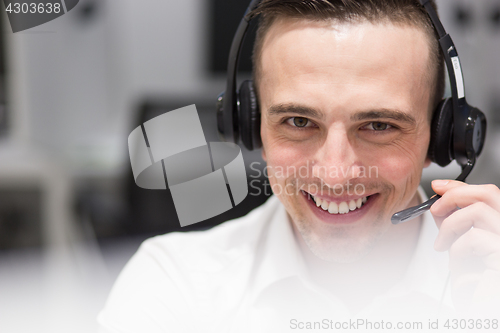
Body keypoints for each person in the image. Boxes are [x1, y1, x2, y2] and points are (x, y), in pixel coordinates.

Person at [98, 1, 500, 332]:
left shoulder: (489, 284)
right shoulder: (173, 286)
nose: (335, 174)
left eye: (378, 125)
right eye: (299, 122)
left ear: (443, 136)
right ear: (251, 126)